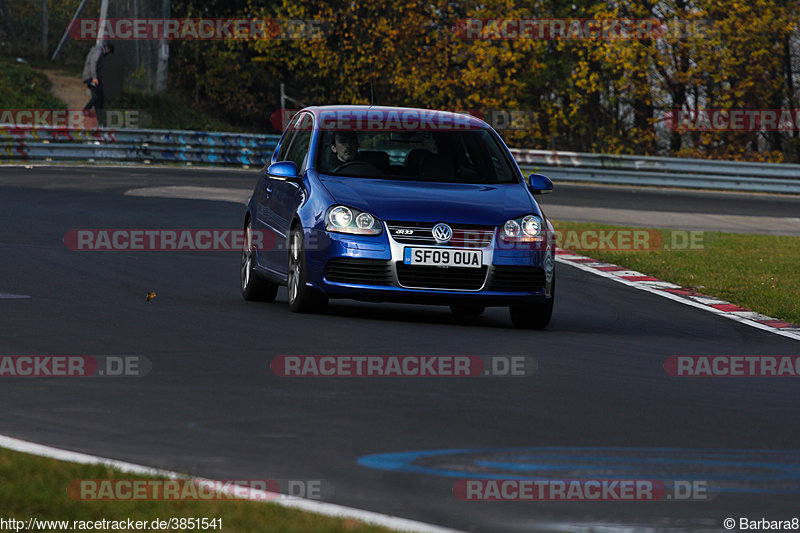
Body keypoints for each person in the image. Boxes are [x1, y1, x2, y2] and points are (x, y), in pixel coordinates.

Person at [81, 42, 114, 126]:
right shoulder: (98, 51)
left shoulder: (97, 51)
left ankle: (100, 121)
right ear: (108, 50)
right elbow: (93, 64)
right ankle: (85, 110)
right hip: (90, 77)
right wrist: (94, 77)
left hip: (91, 77)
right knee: (99, 95)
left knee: (100, 98)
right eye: (109, 53)